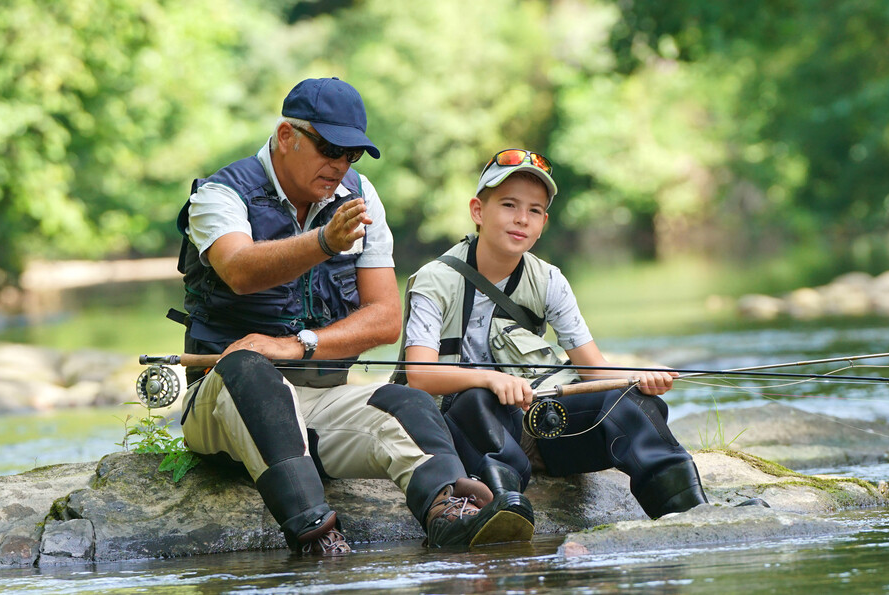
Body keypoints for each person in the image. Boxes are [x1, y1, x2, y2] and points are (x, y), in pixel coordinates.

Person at [171, 78, 532, 555]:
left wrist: (299, 345)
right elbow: (238, 270)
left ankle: (449, 513)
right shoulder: (219, 195)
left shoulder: (360, 196)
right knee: (249, 371)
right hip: (223, 401)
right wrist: (324, 243)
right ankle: (320, 538)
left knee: (406, 402)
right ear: (285, 136)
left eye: (351, 154)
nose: (339, 164)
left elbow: (385, 319)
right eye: (328, 148)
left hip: (322, 403)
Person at [395, 148, 708, 529]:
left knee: (630, 401)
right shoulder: (433, 279)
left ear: (543, 222)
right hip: (459, 429)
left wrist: (637, 379)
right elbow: (420, 375)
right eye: (509, 205)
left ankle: (689, 512)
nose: (521, 219)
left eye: (534, 210)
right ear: (478, 211)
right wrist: (492, 378)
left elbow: (593, 371)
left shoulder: (549, 280)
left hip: (536, 426)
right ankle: (502, 510)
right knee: (478, 399)